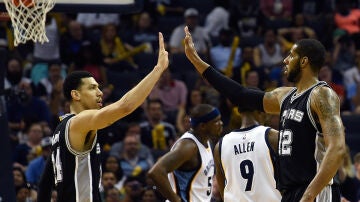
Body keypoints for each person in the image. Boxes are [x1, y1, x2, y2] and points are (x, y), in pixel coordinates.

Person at [183, 26, 346, 201]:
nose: (285, 60)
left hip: (316, 191)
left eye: (291, 55)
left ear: (304, 61)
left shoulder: (321, 94)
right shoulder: (285, 96)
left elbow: (337, 148)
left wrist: (309, 194)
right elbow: (241, 95)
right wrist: (196, 61)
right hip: (291, 192)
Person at [37, 32, 169, 202]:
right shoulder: (79, 122)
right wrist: (158, 70)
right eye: (92, 88)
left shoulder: (59, 130)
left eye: (99, 87)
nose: (100, 93)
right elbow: (125, 107)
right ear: (76, 94)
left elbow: (45, 183)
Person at [148, 104, 223, 202]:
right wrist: (176, 200)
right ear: (203, 126)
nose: (221, 123)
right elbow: (156, 172)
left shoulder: (208, 141)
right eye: (216, 122)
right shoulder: (188, 147)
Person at [213, 105, 281, 201]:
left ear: (240, 112)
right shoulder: (273, 136)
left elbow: (222, 190)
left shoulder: (220, 145)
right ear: (261, 112)